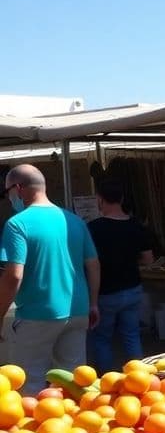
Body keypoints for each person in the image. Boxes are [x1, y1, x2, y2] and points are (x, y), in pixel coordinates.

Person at [0, 165, 100, 393]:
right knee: (75, 382)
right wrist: (93, 303)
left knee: (29, 381)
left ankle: (33, 428)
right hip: (78, 310)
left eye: (8, 194)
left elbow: (14, 274)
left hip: (37, 314)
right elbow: (93, 265)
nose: (9, 199)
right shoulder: (74, 220)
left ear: (18, 189)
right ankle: (77, 425)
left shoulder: (17, 224)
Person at [87, 179, 155, 373]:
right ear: (122, 199)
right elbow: (149, 259)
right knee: (132, 335)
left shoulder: (94, 228)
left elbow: (90, 263)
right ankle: (141, 377)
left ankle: (107, 381)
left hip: (105, 292)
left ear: (100, 200)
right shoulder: (136, 225)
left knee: (102, 339)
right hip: (133, 289)